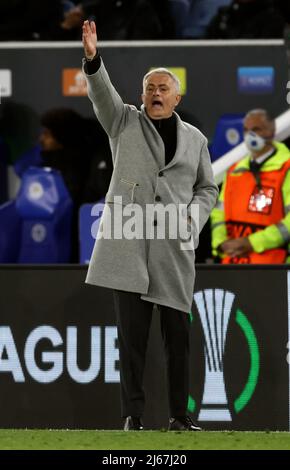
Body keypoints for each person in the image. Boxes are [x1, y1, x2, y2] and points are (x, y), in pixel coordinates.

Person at [82, 20, 218, 431]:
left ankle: (179, 416)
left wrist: (192, 219)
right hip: (128, 243)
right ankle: (133, 417)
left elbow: (207, 188)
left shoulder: (195, 139)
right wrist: (92, 60)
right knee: (133, 341)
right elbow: (102, 94)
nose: (156, 94)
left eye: (163, 89)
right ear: (141, 96)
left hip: (173, 247)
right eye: (150, 88)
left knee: (179, 339)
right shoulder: (122, 121)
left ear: (177, 97)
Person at [211, 109, 290, 264]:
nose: (250, 135)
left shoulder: (286, 168)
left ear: (272, 130)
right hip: (232, 263)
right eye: (246, 130)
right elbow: (218, 214)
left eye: (256, 129)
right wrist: (220, 244)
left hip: (274, 267)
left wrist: (252, 242)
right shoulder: (234, 171)